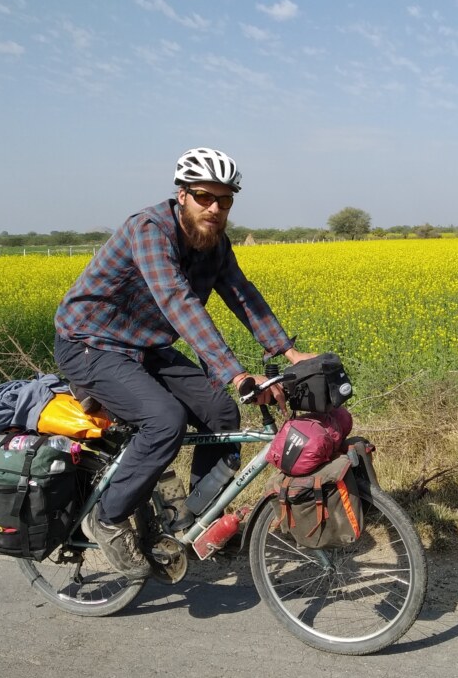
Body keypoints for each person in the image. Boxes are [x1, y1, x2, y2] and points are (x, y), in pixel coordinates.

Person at [54, 147, 314, 578]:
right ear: (182, 195)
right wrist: (234, 372)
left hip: (146, 349)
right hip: (92, 343)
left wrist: (286, 351)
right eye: (203, 197)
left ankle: (193, 519)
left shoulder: (215, 242)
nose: (214, 208)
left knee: (221, 412)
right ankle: (109, 518)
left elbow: (241, 294)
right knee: (165, 421)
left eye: (225, 200)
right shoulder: (150, 229)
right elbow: (178, 300)